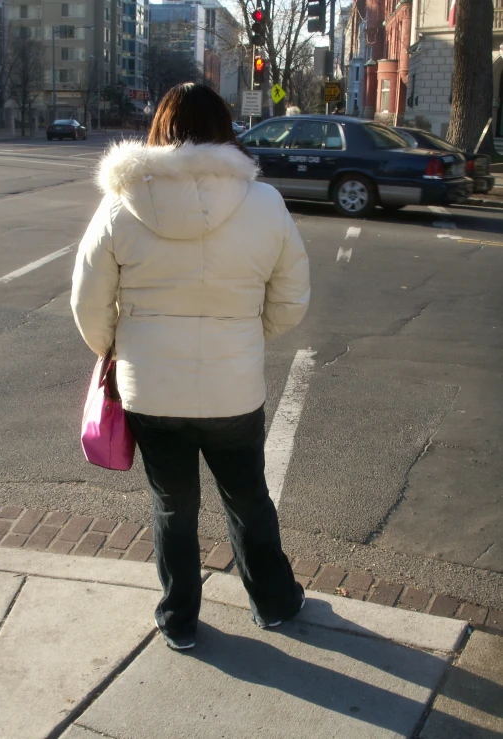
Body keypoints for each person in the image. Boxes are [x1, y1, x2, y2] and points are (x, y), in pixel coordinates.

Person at [71, 83, 310, 651]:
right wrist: (249, 336)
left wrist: (116, 350)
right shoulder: (264, 202)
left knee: (173, 505)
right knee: (248, 497)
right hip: (233, 386)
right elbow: (292, 297)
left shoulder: (120, 204)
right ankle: (273, 601)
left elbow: (87, 301)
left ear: (159, 128)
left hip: (150, 390)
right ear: (226, 129)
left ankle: (179, 618)